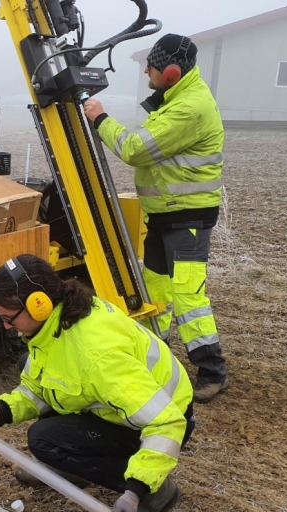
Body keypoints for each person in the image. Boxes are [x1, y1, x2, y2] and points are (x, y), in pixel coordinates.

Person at [0, 255, 195, 512]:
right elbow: (44, 384)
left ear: (39, 305)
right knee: (26, 363)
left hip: (162, 419)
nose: (8, 327)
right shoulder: (57, 323)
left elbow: (166, 423)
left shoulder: (97, 357)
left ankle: (156, 492)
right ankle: (78, 468)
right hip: (124, 409)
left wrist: (136, 489)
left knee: (44, 439)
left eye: (8, 318)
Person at [83, 33, 229, 403]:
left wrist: (100, 118)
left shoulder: (189, 108)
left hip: (188, 219)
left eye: (152, 66)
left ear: (172, 73)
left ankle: (212, 372)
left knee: (187, 297)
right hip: (165, 216)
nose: (146, 70)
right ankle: (154, 359)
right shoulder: (176, 97)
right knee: (157, 293)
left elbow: (135, 149)